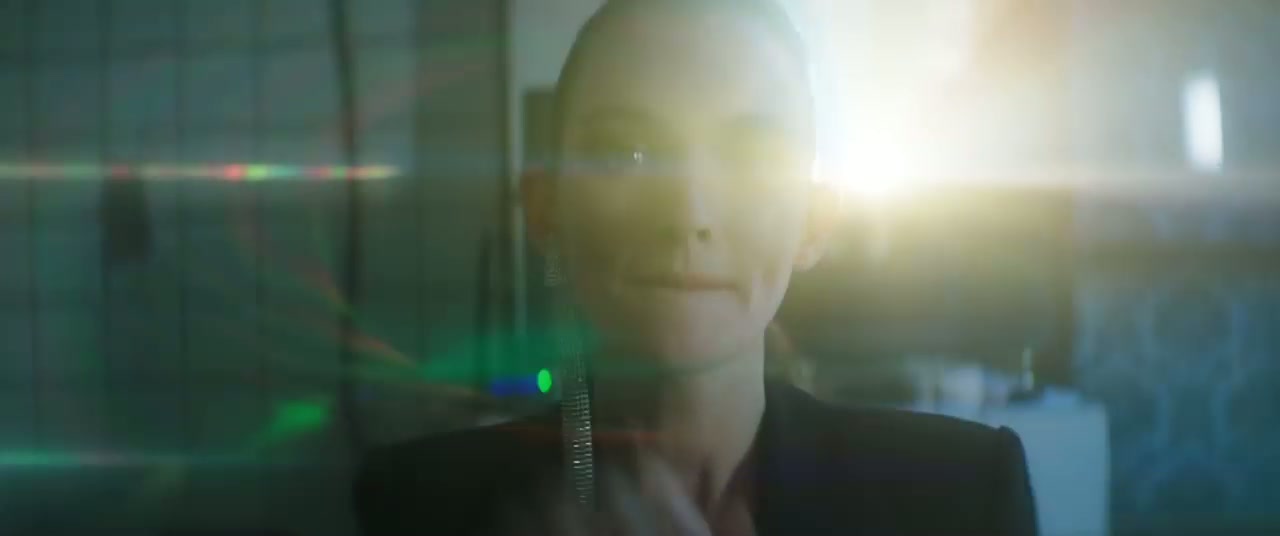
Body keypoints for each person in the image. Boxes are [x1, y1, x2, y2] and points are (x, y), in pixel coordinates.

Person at [353, 0, 1038, 534]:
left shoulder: (957, 495)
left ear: (813, 221)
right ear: (546, 209)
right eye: (627, 154)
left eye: (752, 159)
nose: (688, 213)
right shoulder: (421, 507)